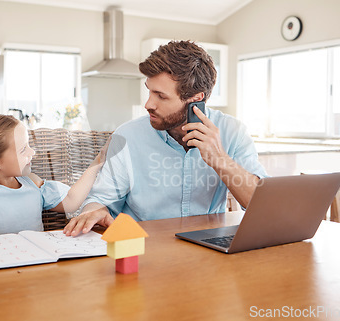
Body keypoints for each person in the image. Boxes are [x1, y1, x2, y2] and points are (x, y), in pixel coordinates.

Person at [63, 40, 268, 236]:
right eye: (150, 92)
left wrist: (220, 160)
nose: (148, 104)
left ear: (196, 99)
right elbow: (100, 199)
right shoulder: (128, 136)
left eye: (161, 96)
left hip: (207, 247)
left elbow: (263, 207)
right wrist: (94, 210)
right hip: (143, 246)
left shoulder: (233, 132)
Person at [0, 114, 107, 261]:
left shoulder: (32, 183)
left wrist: (98, 161)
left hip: (39, 263)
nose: (32, 152)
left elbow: (71, 200)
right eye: (23, 150)